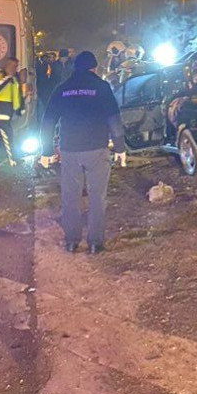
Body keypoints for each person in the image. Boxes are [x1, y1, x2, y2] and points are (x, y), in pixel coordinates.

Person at [40, 50, 126, 254]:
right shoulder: (102, 87)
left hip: (70, 149)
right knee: (98, 197)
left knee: (70, 196)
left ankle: (71, 241)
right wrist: (120, 148)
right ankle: (95, 243)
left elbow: (48, 121)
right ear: (94, 68)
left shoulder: (62, 88)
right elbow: (114, 120)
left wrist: (46, 151)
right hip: (97, 149)